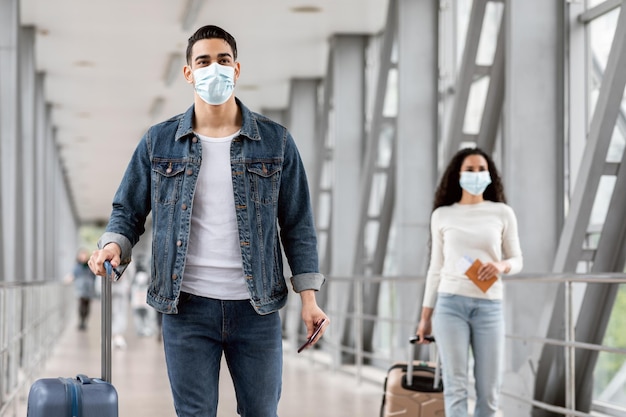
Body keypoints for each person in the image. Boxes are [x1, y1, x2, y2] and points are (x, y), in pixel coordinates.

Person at [87, 24, 329, 417]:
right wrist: (113, 243)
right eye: (203, 61)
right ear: (188, 72)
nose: (213, 68)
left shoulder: (276, 141)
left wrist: (309, 299)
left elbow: (298, 224)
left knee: (261, 412)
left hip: (257, 309)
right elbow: (128, 211)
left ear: (236, 70)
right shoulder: (158, 141)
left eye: (223, 60)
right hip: (186, 308)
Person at [415, 147, 523, 417]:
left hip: (490, 307)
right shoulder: (442, 215)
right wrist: (425, 317)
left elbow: (518, 259)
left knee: (489, 391)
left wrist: (501, 265)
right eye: (470, 170)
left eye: (481, 169)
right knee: (456, 387)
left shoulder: (502, 213)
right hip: (450, 305)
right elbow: (436, 268)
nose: (476, 174)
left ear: (490, 174)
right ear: (458, 174)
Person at [71, 248, 96, 331]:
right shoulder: (77, 266)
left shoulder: (90, 264)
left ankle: (85, 321)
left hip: (89, 287)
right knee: (81, 304)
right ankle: (81, 321)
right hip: (80, 287)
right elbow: (74, 274)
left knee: (87, 305)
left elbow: (94, 275)